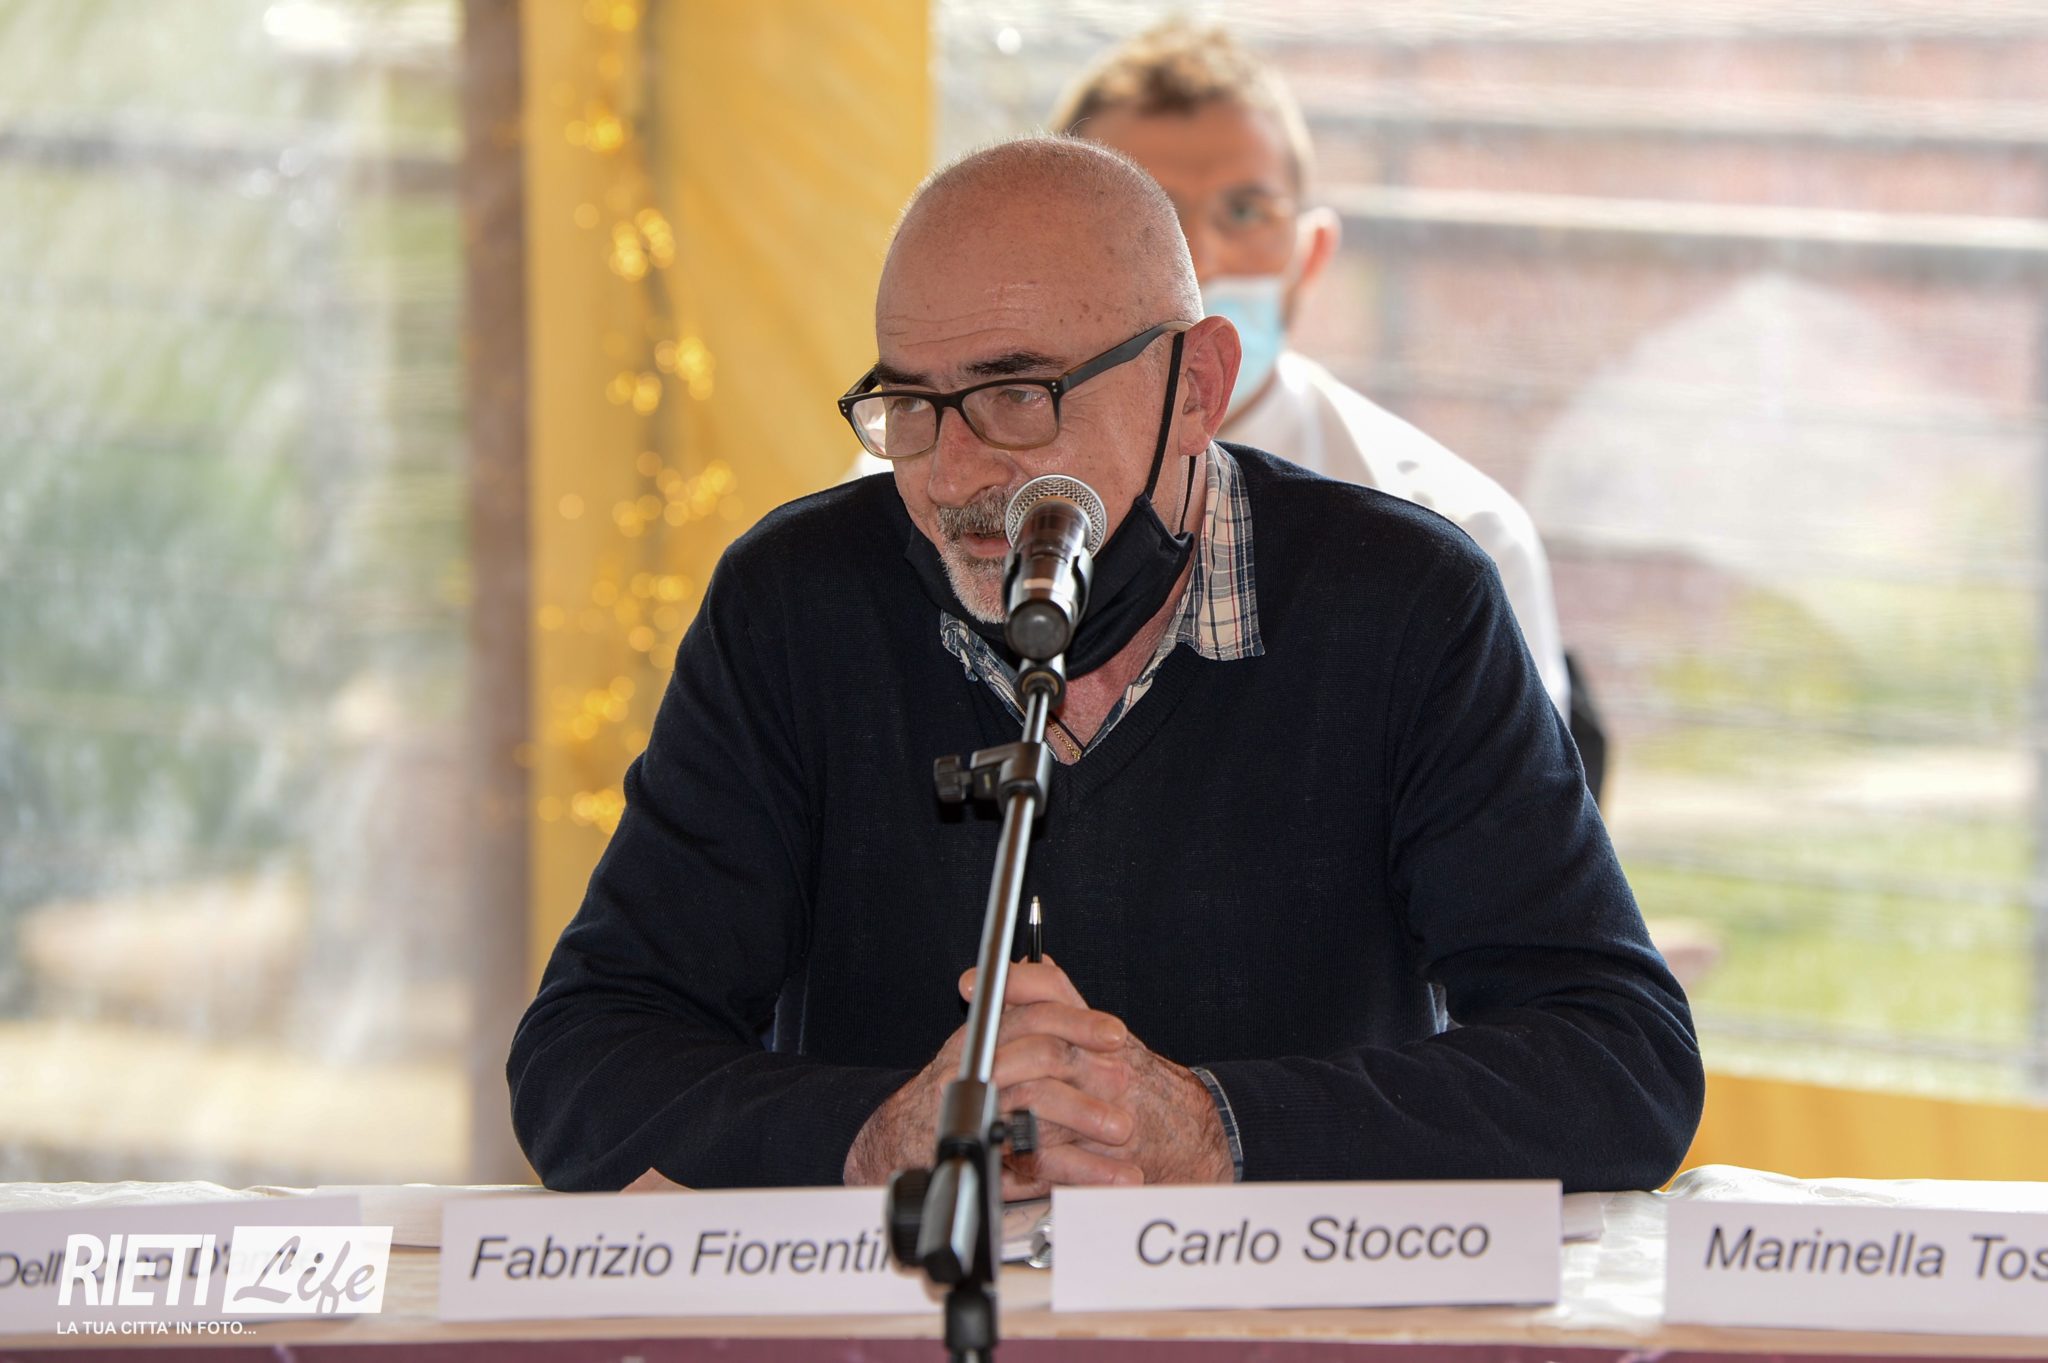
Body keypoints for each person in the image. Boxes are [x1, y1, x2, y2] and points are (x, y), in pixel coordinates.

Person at [508, 137, 1702, 1196]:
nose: (953, 474)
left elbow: (1617, 1062)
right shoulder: (795, 602)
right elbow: (584, 1061)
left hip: (1277, 1325)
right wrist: (874, 1138)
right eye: (909, 403)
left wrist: (1215, 1131)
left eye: (1015, 394)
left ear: (1196, 388)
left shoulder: (1400, 602)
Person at [1050, 22, 1576, 722]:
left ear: (1312, 254)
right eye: (1150, 212)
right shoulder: (953, 486)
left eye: (1246, 211)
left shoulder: (1459, 539)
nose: (1200, 258)